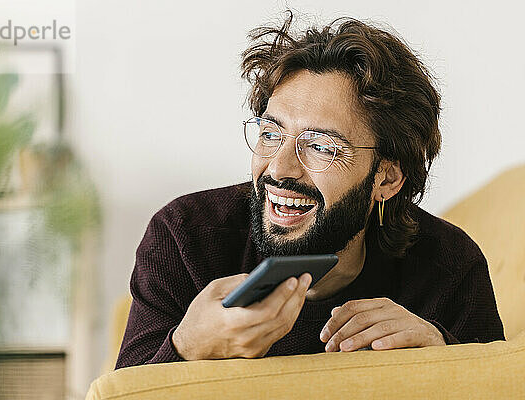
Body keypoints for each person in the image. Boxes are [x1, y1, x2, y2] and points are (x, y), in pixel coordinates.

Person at [115, 11, 504, 369]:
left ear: (386, 179)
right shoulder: (185, 236)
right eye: (271, 134)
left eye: (320, 146)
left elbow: (497, 381)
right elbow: (122, 392)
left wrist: (447, 355)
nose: (279, 169)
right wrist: (188, 346)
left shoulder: (448, 264)